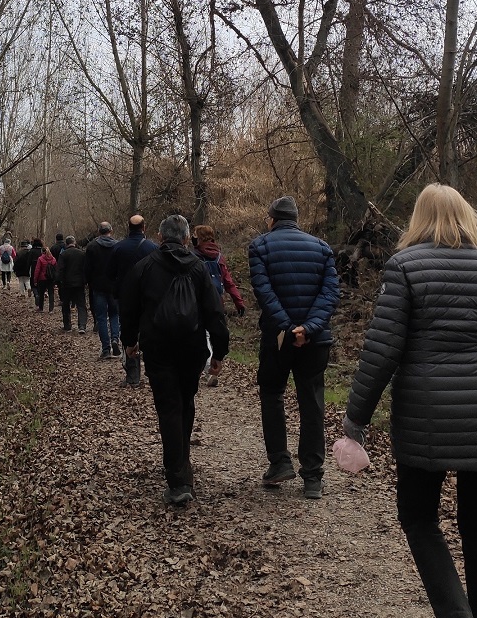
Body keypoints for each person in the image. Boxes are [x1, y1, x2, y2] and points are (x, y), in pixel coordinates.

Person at [343, 184, 477, 618]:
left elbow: (383, 349)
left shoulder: (405, 266)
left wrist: (355, 421)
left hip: (426, 413)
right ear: (467, 215)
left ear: (419, 218)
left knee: (419, 517)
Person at [120, 214, 229, 506]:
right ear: (185, 239)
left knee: (168, 406)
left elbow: (128, 307)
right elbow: (215, 312)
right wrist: (219, 352)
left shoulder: (145, 267)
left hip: (158, 348)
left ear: (159, 237)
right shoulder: (198, 268)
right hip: (192, 347)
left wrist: (129, 341)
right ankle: (181, 464)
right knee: (186, 401)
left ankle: (178, 478)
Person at [249, 195, 339, 499]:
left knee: (272, 393)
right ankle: (313, 476)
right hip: (315, 339)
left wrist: (289, 328)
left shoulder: (260, 246)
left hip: (278, 338)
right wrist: (308, 328)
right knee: (312, 401)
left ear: (272, 219)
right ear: (296, 220)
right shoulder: (322, 248)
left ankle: (280, 462)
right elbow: (330, 294)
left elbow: (264, 292)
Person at [192, 223, 246, 387]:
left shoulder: (194, 256)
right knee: (215, 333)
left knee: (203, 335)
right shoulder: (219, 257)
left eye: (195, 234)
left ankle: (208, 367)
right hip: (217, 302)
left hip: (198, 302)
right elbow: (228, 282)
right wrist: (239, 302)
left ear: (199, 237)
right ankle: (213, 365)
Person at [109, 214, 158, 386]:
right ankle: (152, 371)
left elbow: (110, 273)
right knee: (149, 332)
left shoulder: (118, 248)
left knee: (128, 332)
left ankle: (133, 375)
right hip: (149, 297)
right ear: (144, 228)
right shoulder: (153, 248)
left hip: (126, 298)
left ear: (128, 228)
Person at [84, 222, 120, 360]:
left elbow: (87, 268)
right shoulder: (117, 246)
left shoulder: (92, 246)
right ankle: (115, 339)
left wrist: (89, 282)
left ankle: (106, 348)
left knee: (101, 317)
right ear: (111, 230)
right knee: (115, 315)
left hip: (98, 286)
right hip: (114, 286)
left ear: (99, 231)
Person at [56, 236, 88, 332]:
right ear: (74, 243)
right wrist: (85, 281)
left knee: (66, 305)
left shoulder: (63, 254)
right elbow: (85, 268)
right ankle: (82, 325)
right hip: (79, 283)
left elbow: (60, 269)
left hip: (67, 284)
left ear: (66, 244)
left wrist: (58, 281)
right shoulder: (82, 254)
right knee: (81, 305)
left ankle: (67, 325)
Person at [33, 245, 57, 312]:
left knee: (41, 293)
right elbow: (56, 269)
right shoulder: (53, 259)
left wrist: (35, 280)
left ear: (42, 252)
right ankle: (51, 309)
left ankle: (41, 308)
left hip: (42, 278)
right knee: (51, 293)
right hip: (51, 278)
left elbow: (37, 270)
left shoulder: (40, 259)